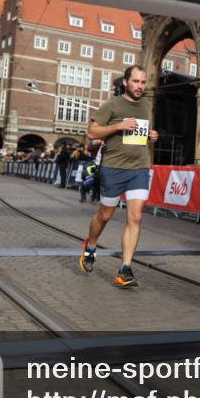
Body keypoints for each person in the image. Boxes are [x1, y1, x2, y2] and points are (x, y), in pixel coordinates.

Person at [78, 66, 158, 287]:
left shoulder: (147, 105)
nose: (140, 86)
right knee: (105, 215)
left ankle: (125, 269)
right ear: (125, 82)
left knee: (136, 217)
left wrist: (151, 136)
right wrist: (118, 126)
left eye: (143, 82)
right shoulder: (112, 105)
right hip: (113, 168)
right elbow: (92, 132)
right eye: (136, 82)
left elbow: (142, 134)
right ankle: (91, 245)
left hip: (139, 167)